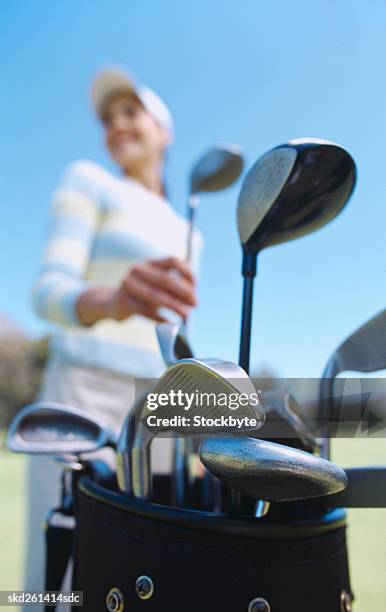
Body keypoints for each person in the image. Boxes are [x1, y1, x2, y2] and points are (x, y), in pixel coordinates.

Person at [24, 67, 201, 605]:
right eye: (107, 118)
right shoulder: (89, 180)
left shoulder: (188, 227)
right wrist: (114, 300)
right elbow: (48, 290)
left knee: (155, 573)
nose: (116, 125)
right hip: (83, 390)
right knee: (62, 577)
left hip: (161, 407)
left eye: (131, 112)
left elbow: (183, 331)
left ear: (164, 131)